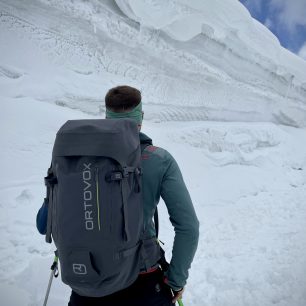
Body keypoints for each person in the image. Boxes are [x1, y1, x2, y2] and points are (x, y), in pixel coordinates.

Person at [37, 85, 199, 306]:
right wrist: (175, 281)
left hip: (87, 284)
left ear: (106, 116)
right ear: (140, 117)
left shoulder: (75, 159)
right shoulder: (158, 160)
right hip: (143, 283)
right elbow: (188, 227)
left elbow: (43, 224)